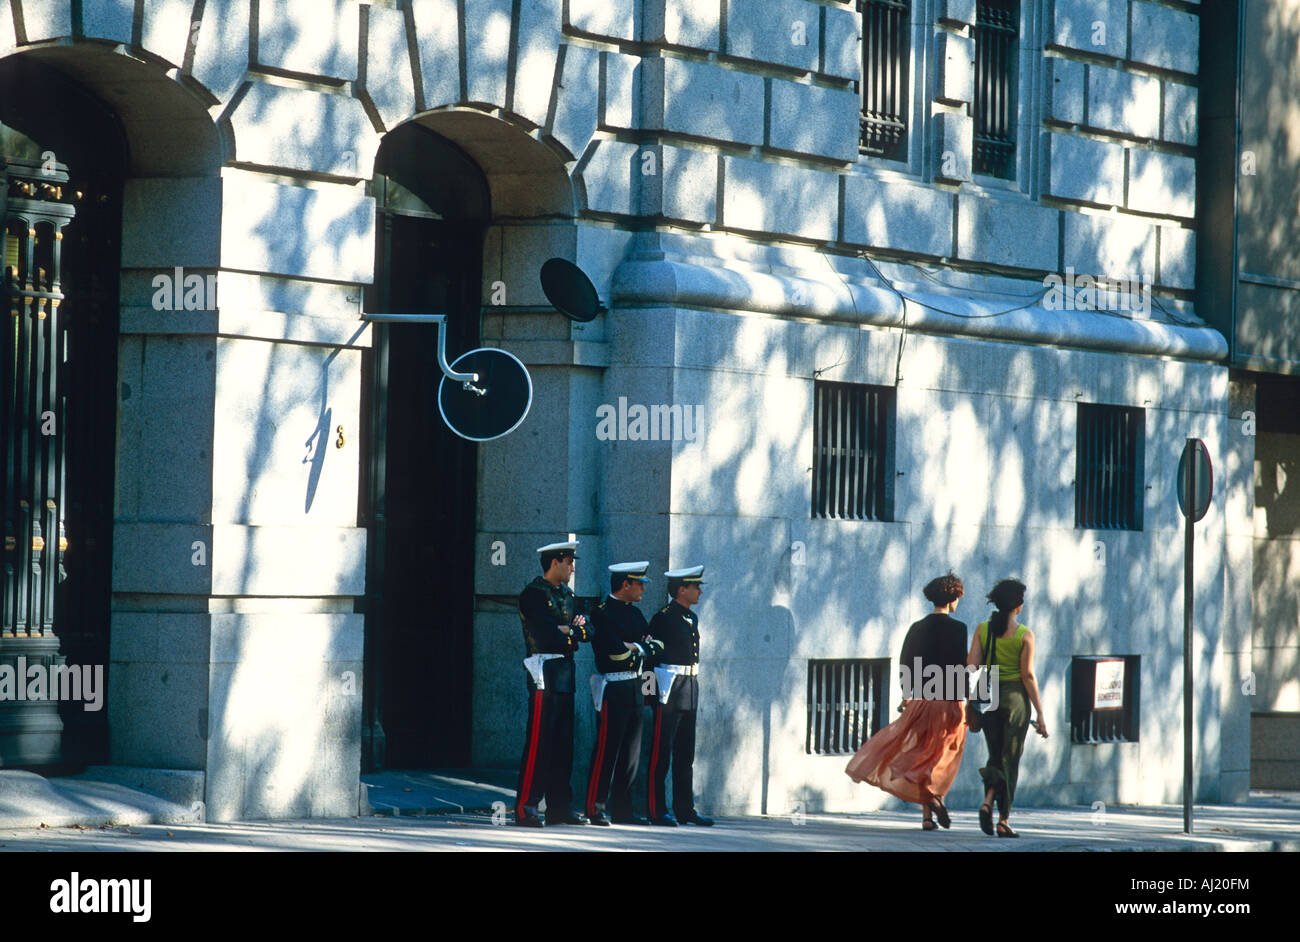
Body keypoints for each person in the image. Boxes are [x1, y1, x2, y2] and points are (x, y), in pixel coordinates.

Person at [845, 572, 969, 830]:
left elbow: (906, 662)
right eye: (958, 597)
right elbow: (960, 665)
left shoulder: (917, 627)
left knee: (924, 752)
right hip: (948, 699)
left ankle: (926, 817)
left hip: (922, 700)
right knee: (944, 754)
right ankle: (935, 797)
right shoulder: (959, 628)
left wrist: (907, 695)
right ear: (952, 598)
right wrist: (964, 699)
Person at [515, 540, 593, 827]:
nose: (573, 567)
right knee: (539, 742)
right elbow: (546, 635)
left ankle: (559, 807)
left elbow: (590, 629)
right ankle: (526, 806)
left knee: (563, 745)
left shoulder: (569, 595)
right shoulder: (533, 595)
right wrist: (573, 631)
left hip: (564, 673)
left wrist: (570, 631)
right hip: (543, 673)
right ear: (554, 562)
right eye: (569, 561)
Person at [966, 578, 1048, 838]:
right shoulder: (1025, 635)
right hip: (1015, 701)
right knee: (1009, 760)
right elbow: (1028, 676)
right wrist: (1041, 713)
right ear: (1019, 607)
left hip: (990, 696)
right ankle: (1003, 820)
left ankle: (988, 798)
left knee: (994, 756)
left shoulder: (982, 629)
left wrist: (965, 700)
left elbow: (971, 666)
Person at [584, 562, 663, 825]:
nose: (643, 587)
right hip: (614, 686)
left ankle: (623, 808)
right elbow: (614, 652)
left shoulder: (636, 614)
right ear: (625, 584)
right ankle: (596, 807)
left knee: (631, 752)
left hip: (636, 686)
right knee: (608, 749)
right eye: (639, 582)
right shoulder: (602, 613)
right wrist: (641, 647)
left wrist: (637, 648)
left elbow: (655, 648)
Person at [645, 565, 713, 827]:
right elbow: (649, 658)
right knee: (661, 752)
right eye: (696, 586)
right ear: (681, 589)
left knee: (685, 754)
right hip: (668, 686)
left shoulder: (691, 617)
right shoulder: (663, 617)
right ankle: (656, 809)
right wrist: (649, 694)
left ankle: (685, 809)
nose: (700, 591)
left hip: (689, 684)